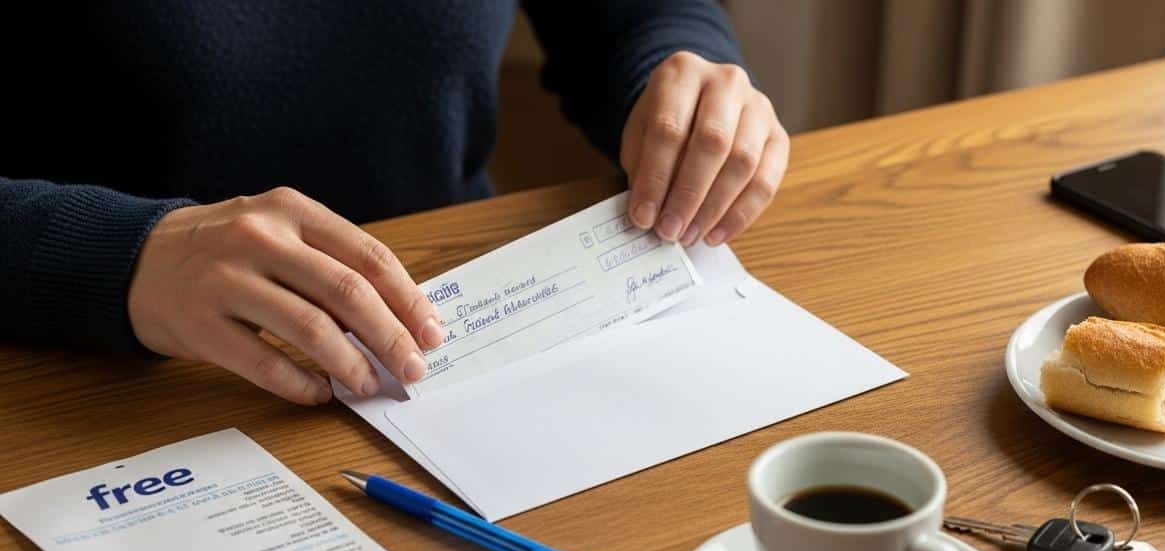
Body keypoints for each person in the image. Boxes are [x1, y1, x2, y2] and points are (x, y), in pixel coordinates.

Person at [0, 2, 787, 405]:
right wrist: (121, 253)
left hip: (450, 335)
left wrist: (682, 75)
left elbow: (632, 15)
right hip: (122, 385)